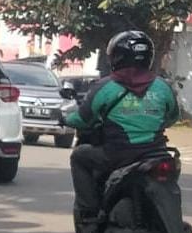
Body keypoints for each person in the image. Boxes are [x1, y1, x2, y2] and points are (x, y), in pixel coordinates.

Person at [63, 30, 179, 223]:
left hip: (117, 155)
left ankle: (88, 210)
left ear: (117, 57)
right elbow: (172, 117)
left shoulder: (105, 87)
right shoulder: (163, 87)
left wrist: (66, 119)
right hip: (156, 154)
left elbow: (83, 120)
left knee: (79, 156)